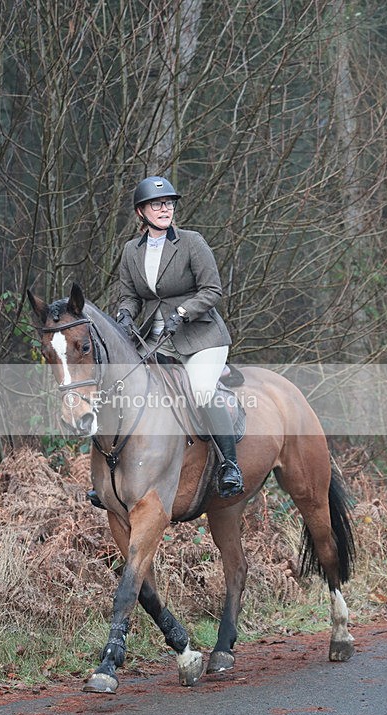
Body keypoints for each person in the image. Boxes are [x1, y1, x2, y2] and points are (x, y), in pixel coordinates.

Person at [115, 175, 244, 499]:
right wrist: (125, 314)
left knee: (200, 390)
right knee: (122, 387)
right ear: (141, 212)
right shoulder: (131, 251)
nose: (165, 209)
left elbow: (212, 290)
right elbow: (130, 296)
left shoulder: (191, 242)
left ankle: (230, 466)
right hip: (155, 340)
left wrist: (184, 312)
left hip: (200, 337)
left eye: (168, 203)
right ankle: (112, 473)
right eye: (156, 204)